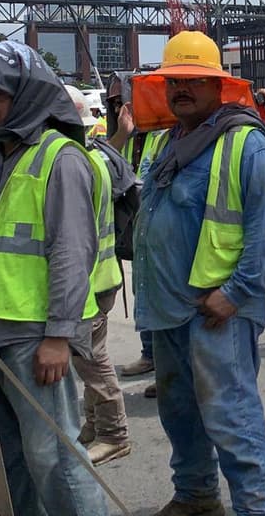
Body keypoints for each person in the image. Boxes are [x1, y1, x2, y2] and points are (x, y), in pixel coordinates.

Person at [0, 41, 108, 515]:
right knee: (11, 460)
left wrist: (58, 335)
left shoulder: (61, 158)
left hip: (33, 336)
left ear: (29, 94)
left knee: (54, 458)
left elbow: (72, 253)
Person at [131, 31, 265, 516]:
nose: (182, 89)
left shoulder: (247, 145)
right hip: (169, 309)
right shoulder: (165, 141)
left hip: (217, 311)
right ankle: (197, 495)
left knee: (232, 420)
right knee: (179, 414)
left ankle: (256, 509)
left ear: (219, 87)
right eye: (174, 80)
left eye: (194, 81)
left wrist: (237, 292)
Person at [62, 86, 134, 465]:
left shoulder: (78, 164)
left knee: (93, 362)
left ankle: (113, 432)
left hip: (90, 281)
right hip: (101, 276)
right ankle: (93, 424)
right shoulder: (95, 157)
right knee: (87, 357)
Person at [107, 76, 169, 399]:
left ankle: (169, 369)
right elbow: (102, 164)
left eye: (125, 103)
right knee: (143, 291)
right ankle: (151, 355)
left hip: (164, 233)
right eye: (115, 104)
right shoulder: (126, 137)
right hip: (139, 231)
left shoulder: (163, 135)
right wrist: (120, 134)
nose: (120, 110)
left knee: (164, 302)